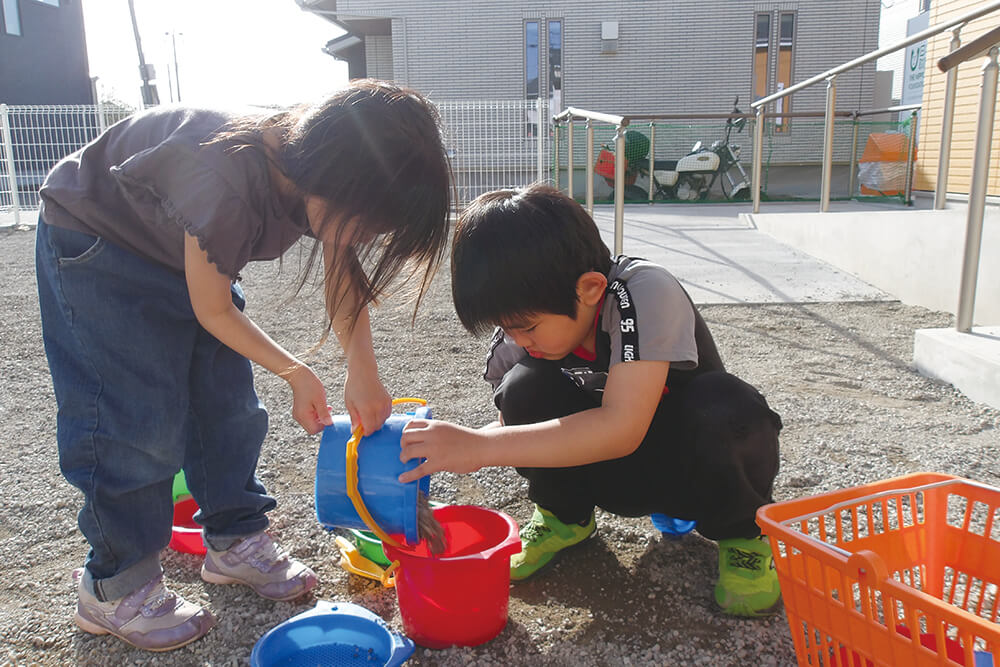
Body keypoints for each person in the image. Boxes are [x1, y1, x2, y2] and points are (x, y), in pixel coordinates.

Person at [35, 79, 452, 651]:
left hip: (182, 254)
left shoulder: (315, 170)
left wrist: (364, 373)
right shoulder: (227, 173)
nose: (365, 238)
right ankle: (115, 584)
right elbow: (212, 309)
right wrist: (295, 370)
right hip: (99, 245)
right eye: (367, 224)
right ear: (337, 175)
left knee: (229, 408)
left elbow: (342, 273)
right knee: (135, 422)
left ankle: (235, 540)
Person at [399, 183, 782, 618]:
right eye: (506, 326)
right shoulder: (524, 334)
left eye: (526, 326)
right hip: (612, 470)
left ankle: (742, 536)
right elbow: (512, 426)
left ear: (590, 288)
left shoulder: (644, 292)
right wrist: (450, 447)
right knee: (522, 389)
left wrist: (481, 449)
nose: (516, 338)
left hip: (686, 465)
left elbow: (621, 427)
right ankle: (565, 517)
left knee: (726, 405)